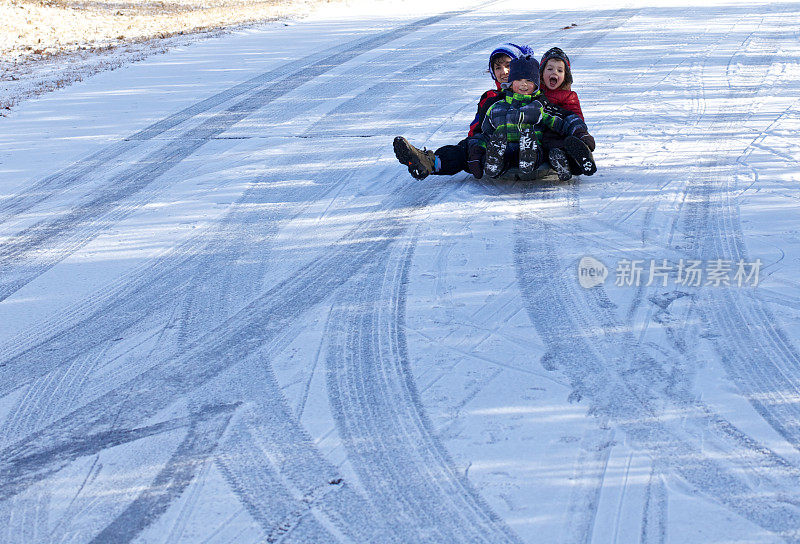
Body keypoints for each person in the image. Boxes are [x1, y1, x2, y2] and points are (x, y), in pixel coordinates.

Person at [393, 43, 532, 180]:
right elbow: (477, 128)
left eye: (508, 65)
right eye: (498, 68)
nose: (504, 71)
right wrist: (472, 144)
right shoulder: (490, 97)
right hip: (495, 146)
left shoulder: (533, 92)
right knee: (464, 150)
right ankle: (428, 162)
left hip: (530, 147)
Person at [476, 54, 574, 179]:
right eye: (519, 80)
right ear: (511, 84)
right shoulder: (497, 107)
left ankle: (528, 156)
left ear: (536, 84)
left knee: (537, 150)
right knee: (502, 151)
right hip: (507, 146)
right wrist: (482, 146)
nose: (524, 85)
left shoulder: (539, 106)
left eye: (529, 81)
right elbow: (485, 131)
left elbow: (561, 120)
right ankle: (494, 163)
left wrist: (578, 129)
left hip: (533, 146)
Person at [537, 47, 596, 180]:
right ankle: (563, 161)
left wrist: (581, 133)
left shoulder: (569, 96)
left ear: (565, 76)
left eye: (560, 70)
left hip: (562, 133)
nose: (554, 72)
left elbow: (576, 117)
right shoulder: (536, 94)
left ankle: (579, 157)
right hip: (542, 136)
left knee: (567, 139)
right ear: (541, 73)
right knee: (548, 143)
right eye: (550, 69)